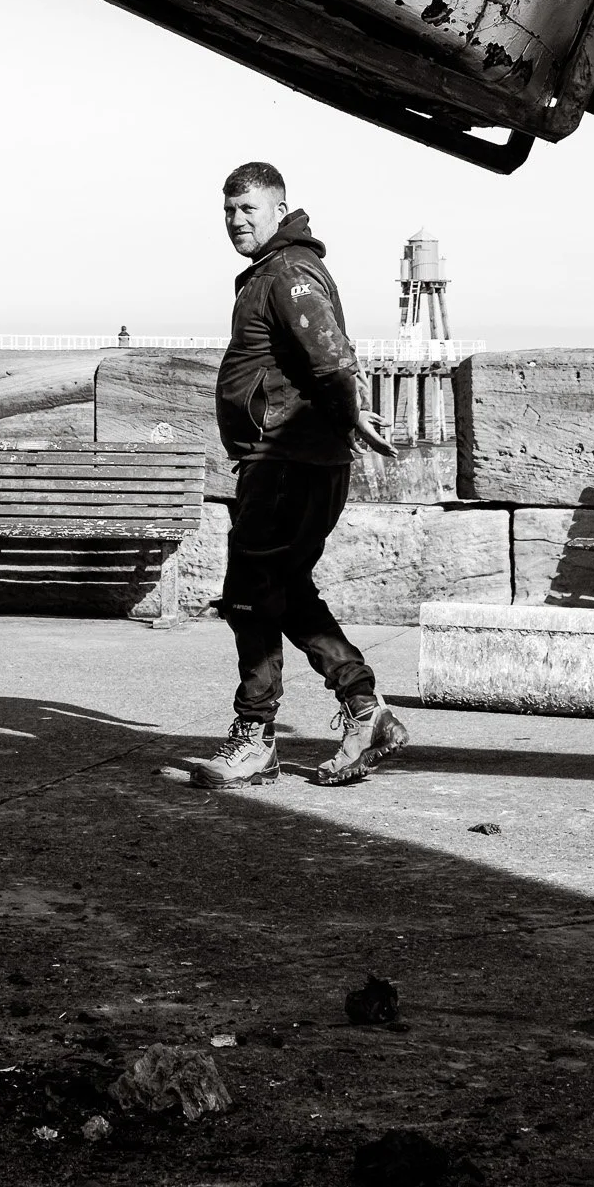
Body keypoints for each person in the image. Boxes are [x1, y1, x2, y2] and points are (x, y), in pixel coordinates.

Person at [188, 162, 410, 790]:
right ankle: (365, 709)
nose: (236, 222)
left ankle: (255, 738)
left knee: (250, 595)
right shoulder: (276, 270)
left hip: (288, 459)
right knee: (284, 589)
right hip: (291, 458)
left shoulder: (287, 272)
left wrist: (349, 416)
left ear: (279, 208)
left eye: (249, 211)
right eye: (229, 211)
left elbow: (332, 355)